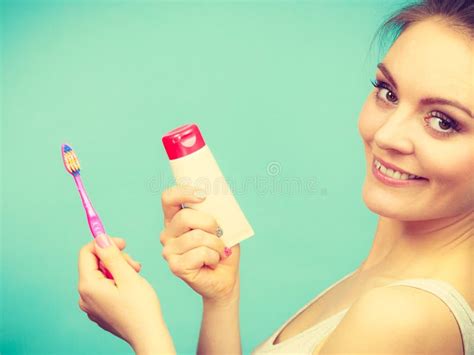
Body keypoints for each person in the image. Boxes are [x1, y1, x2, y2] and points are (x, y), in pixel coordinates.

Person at [76, 0, 474, 354]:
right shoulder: (391, 277)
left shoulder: (404, 316)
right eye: (387, 92)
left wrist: (147, 334)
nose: (385, 136)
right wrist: (222, 301)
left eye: (443, 121)